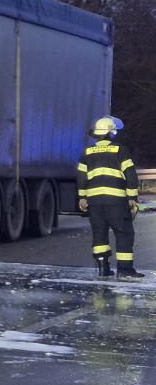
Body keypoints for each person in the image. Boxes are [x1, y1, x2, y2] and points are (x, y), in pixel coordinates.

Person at [77, 116, 141, 280]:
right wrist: (132, 197)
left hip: (95, 202)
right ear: (110, 133)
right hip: (116, 201)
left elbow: (81, 177)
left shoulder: (87, 152)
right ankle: (125, 270)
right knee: (124, 232)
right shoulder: (120, 150)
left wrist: (82, 197)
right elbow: (131, 175)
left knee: (99, 233)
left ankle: (102, 269)